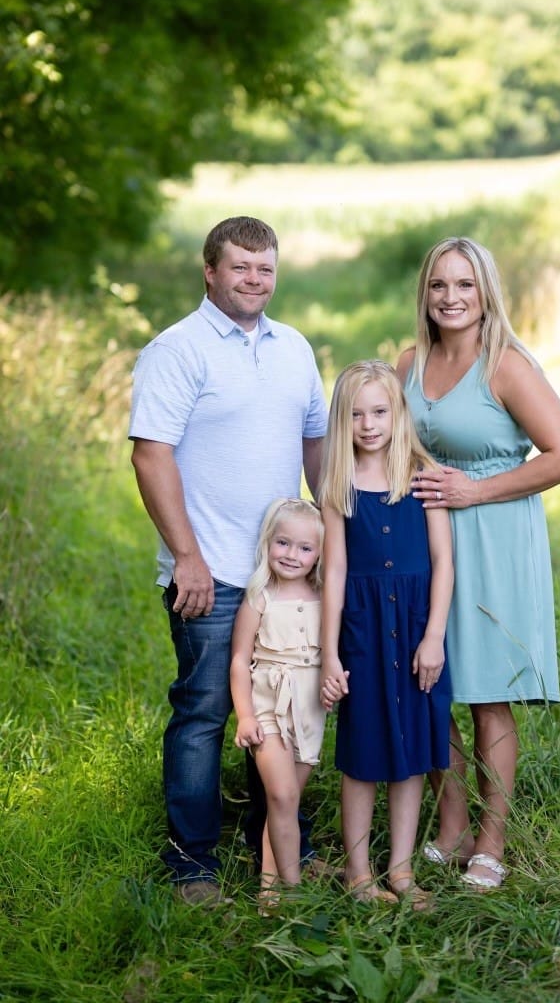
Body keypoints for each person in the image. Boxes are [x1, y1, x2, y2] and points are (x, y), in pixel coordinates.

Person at [128, 216, 328, 906]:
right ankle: (193, 864)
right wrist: (186, 556)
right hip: (210, 574)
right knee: (207, 711)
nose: (254, 279)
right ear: (209, 271)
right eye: (240, 267)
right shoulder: (175, 350)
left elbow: (315, 446)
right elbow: (149, 454)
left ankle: (277, 843)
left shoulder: (294, 349)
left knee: (288, 706)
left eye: (265, 268)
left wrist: (335, 534)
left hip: (289, 574)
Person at [396, 236, 560, 892]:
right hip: (426, 541)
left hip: (494, 535)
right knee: (432, 683)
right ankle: (451, 825)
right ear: (424, 292)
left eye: (464, 286)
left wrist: (473, 490)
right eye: (438, 285)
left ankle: (492, 840)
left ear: (485, 295)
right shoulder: (407, 363)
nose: (450, 298)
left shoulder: (504, 365)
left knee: (485, 694)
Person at [320, 360, 454, 910]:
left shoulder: (422, 475)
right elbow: (333, 572)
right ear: (342, 422)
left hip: (416, 630)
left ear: (398, 413)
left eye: (379, 411)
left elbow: (444, 562)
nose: (369, 424)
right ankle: (358, 873)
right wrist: (329, 653)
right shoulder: (338, 485)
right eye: (356, 414)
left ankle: (400, 869)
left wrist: (435, 636)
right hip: (365, 633)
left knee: (412, 753)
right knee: (364, 750)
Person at [229, 498, 326, 915]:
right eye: (283, 543)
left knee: (284, 804)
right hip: (269, 703)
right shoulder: (259, 595)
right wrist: (245, 715)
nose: (292, 555)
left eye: (305, 548)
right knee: (283, 794)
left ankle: (269, 889)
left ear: (320, 554)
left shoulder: (324, 594)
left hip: (310, 708)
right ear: (268, 542)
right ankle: (294, 887)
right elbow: (238, 659)